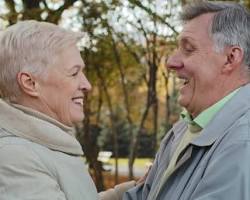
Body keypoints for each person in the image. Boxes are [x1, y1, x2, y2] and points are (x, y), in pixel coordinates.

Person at [123, 1, 250, 200]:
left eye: (189, 49)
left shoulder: (242, 144)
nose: (171, 62)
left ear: (230, 58)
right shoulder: (184, 129)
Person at [0, 20, 135, 200]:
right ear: (30, 83)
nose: (87, 85)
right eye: (74, 73)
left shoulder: (40, 145)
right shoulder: (15, 157)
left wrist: (126, 194)